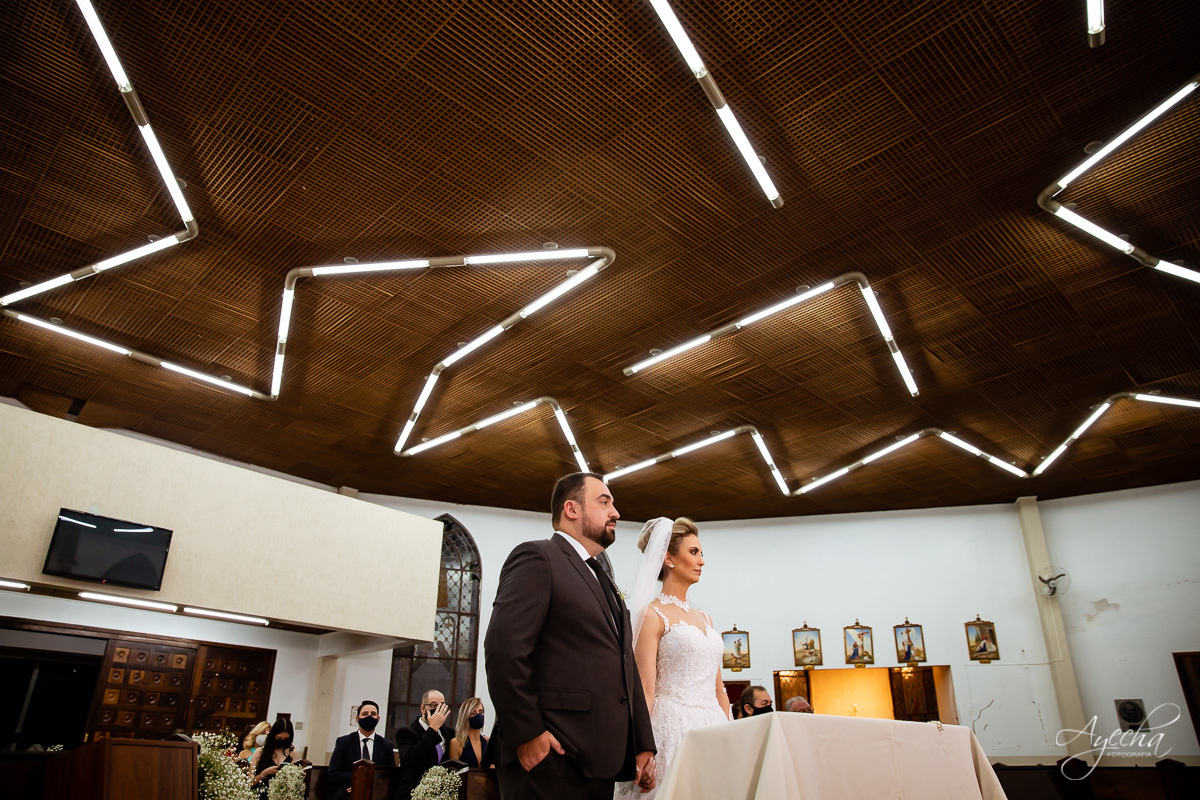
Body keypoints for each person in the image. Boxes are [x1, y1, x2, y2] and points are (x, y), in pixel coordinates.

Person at [485, 472, 656, 800]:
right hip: (552, 757)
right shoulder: (538, 557)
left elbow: (625, 664)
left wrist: (642, 744)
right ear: (572, 509)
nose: (616, 512)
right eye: (604, 502)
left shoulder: (603, 579)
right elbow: (504, 650)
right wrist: (528, 735)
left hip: (600, 760)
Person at [615, 517, 730, 800]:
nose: (702, 561)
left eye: (702, 553)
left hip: (714, 726)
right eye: (694, 552)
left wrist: (732, 731)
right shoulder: (652, 615)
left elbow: (719, 689)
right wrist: (641, 746)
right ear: (668, 559)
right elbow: (645, 689)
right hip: (672, 728)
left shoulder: (706, 618)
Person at [327, 701, 397, 800]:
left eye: (373, 714)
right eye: (365, 714)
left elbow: (390, 775)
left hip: (376, 792)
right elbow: (333, 774)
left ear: (378, 719)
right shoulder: (344, 742)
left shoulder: (386, 745)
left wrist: (368, 785)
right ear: (357, 718)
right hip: (347, 791)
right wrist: (358, 783)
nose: (369, 717)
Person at [393, 690, 454, 799]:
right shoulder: (406, 732)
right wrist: (433, 729)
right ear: (423, 708)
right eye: (433, 705)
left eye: (441, 706)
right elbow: (413, 759)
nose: (438, 710)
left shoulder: (449, 734)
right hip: (413, 793)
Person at [248, 718, 296, 800]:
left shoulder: (292, 753)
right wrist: (264, 773)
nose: (282, 741)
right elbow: (250, 782)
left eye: (286, 739)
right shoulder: (260, 752)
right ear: (273, 736)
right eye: (279, 738)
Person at [448, 696, 490, 768]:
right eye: (473, 713)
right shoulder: (457, 743)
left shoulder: (487, 742)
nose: (478, 715)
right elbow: (454, 771)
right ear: (465, 716)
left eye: (481, 712)